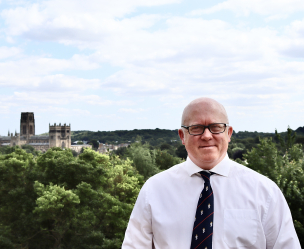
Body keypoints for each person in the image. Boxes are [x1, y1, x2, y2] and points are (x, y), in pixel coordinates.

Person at [122, 97, 301, 249]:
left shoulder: (265, 192)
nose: (207, 135)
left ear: (229, 133)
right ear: (182, 136)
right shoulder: (154, 190)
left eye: (216, 127)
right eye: (196, 128)